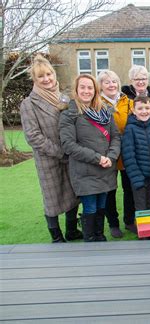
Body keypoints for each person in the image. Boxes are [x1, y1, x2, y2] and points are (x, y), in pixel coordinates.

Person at [19, 55, 82, 243]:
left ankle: (71, 231)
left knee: (72, 194)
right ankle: (56, 236)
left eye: (49, 74)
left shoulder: (64, 97)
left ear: (54, 75)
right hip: (49, 159)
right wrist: (59, 151)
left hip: (69, 156)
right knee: (52, 199)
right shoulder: (29, 104)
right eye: (41, 76)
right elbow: (33, 136)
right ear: (35, 80)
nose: (46, 79)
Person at [59, 74, 121, 242]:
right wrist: (97, 158)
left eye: (90, 88)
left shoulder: (105, 112)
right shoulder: (69, 114)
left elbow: (116, 137)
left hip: (106, 168)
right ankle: (90, 239)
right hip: (85, 170)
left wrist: (111, 156)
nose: (86, 91)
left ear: (95, 90)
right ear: (76, 90)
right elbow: (69, 145)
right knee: (90, 207)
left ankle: (99, 235)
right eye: (83, 87)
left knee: (101, 206)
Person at [98, 70, 135, 238]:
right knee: (110, 190)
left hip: (127, 151)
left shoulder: (128, 102)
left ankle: (130, 221)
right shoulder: (96, 103)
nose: (111, 84)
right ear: (101, 86)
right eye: (107, 82)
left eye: (114, 81)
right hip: (107, 152)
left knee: (129, 188)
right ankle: (113, 223)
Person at [121, 95, 150, 217]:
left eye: (147, 108)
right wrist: (137, 177)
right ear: (134, 111)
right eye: (140, 108)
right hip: (139, 177)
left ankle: (149, 232)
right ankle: (143, 235)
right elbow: (128, 156)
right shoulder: (130, 129)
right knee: (141, 208)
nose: (144, 111)